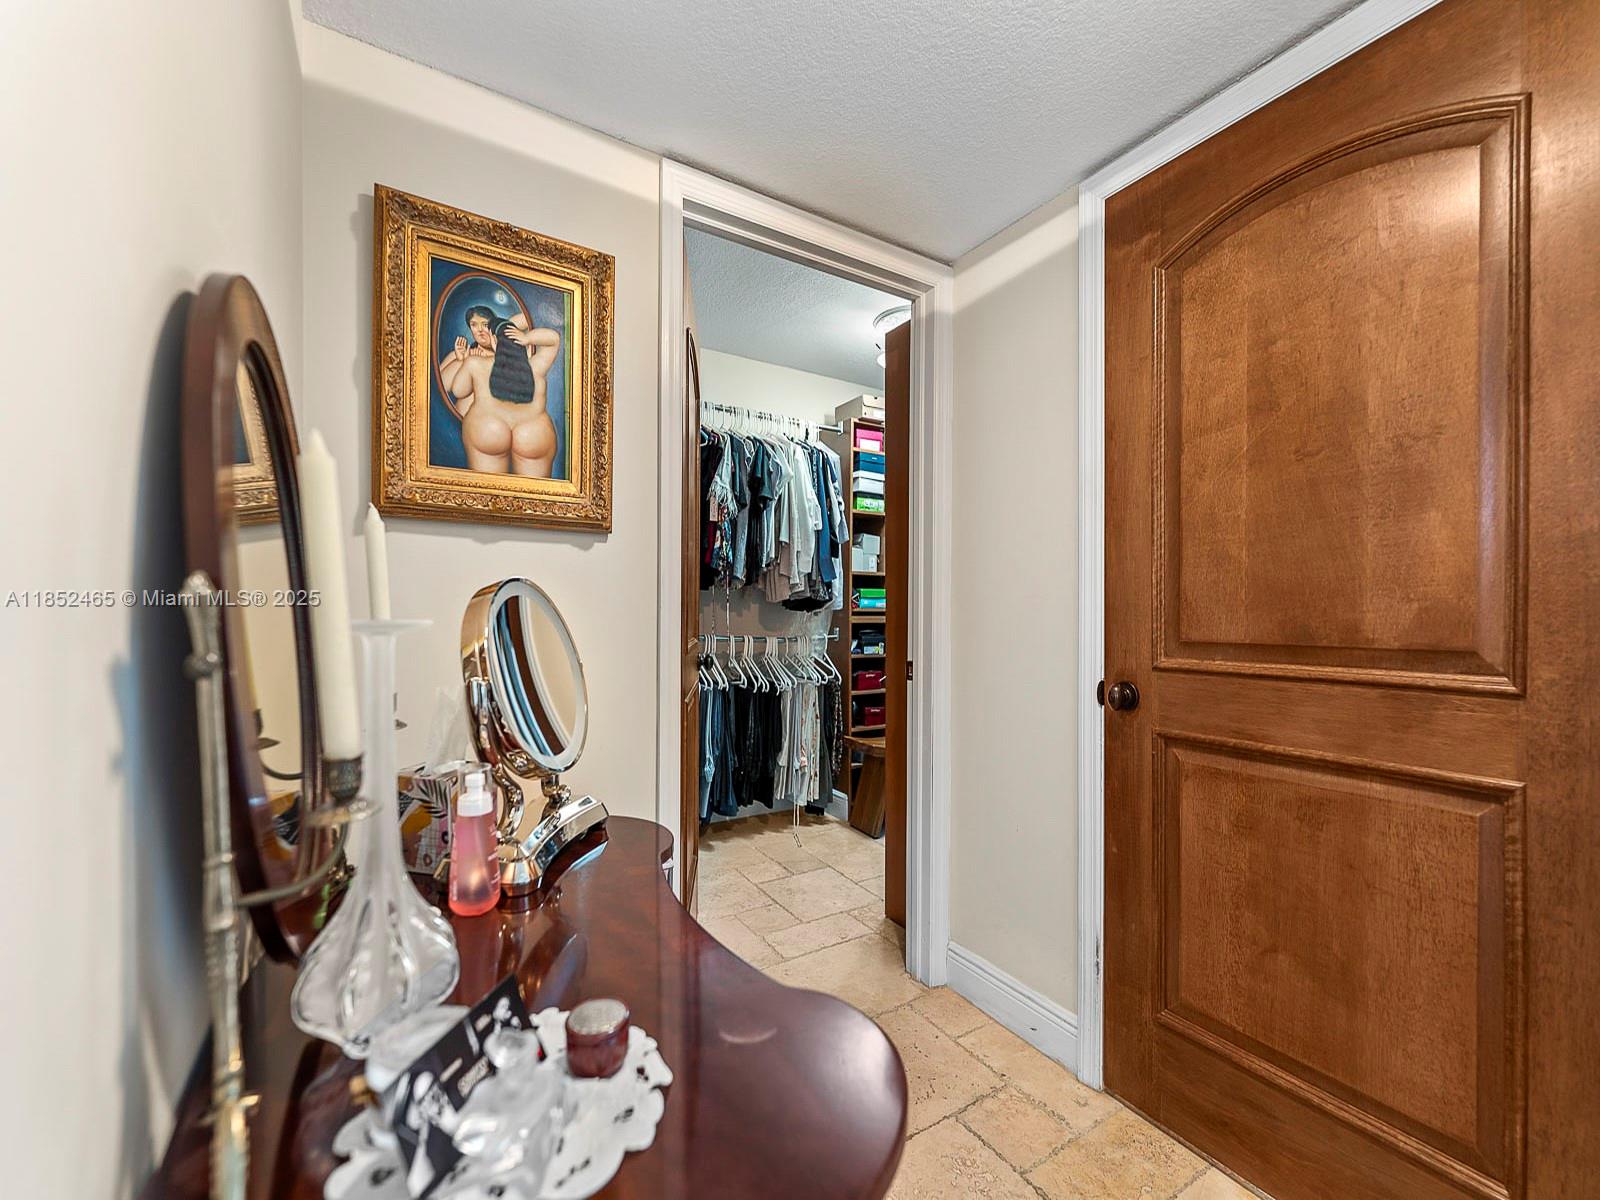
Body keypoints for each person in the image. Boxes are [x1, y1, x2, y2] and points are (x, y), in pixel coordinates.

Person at [438, 303, 561, 477]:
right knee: (535, 493)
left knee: (489, 492)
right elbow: (554, 339)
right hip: (534, 434)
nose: (480, 330)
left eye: (485, 325)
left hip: (489, 431)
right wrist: (526, 338)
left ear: (494, 340)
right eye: (474, 325)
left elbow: (458, 391)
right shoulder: (535, 367)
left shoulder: (475, 363)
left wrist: (464, 362)